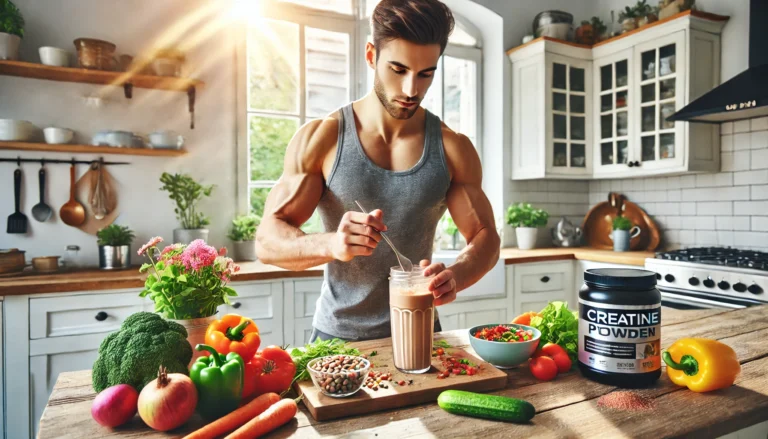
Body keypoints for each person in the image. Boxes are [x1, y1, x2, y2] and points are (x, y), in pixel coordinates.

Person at [255, 0, 500, 342]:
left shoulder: (453, 148)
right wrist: (332, 243)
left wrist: (457, 274)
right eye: (398, 70)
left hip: (420, 334)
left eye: (426, 73)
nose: (411, 90)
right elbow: (267, 241)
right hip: (338, 340)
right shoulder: (323, 138)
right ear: (371, 55)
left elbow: (486, 236)